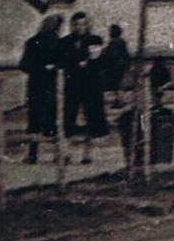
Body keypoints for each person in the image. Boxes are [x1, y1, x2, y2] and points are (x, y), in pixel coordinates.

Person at [60, 11, 108, 159]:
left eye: (83, 24)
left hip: (91, 84)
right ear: (72, 26)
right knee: (69, 117)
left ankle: (88, 153)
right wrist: (76, 64)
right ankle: (66, 152)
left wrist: (90, 62)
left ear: (88, 25)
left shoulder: (94, 40)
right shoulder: (66, 41)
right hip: (72, 84)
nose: (80, 27)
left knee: (91, 117)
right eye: (77, 24)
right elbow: (62, 60)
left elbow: (100, 61)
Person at [19, 13, 64, 163]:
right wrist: (49, 68)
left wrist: (38, 68)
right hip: (50, 86)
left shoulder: (31, 42)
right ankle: (57, 155)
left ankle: (33, 154)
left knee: (35, 120)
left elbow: (24, 65)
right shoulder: (57, 43)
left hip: (35, 86)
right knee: (52, 119)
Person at [100, 24, 134, 102]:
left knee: (117, 84)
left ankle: (118, 100)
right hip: (119, 66)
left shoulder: (113, 43)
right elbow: (126, 54)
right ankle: (119, 99)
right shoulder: (121, 42)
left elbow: (111, 54)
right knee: (119, 84)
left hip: (114, 66)